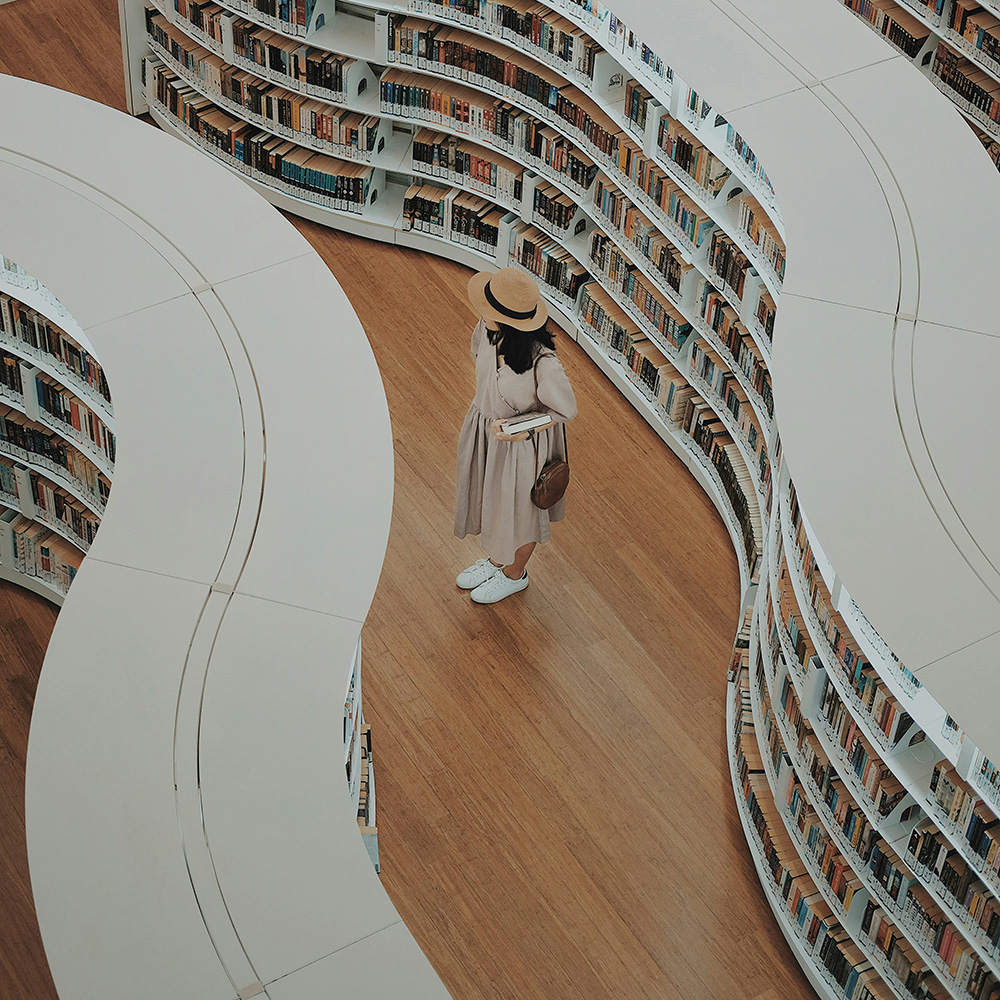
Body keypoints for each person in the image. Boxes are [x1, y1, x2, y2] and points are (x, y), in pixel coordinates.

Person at [454, 267, 577, 604]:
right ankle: (496, 561)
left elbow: (565, 411)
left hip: (521, 448)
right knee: (495, 504)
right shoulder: (487, 329)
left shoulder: (545, 366)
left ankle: (514, 574)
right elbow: (478, 357)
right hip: (486, 431)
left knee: (522, 513)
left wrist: (519, 427)